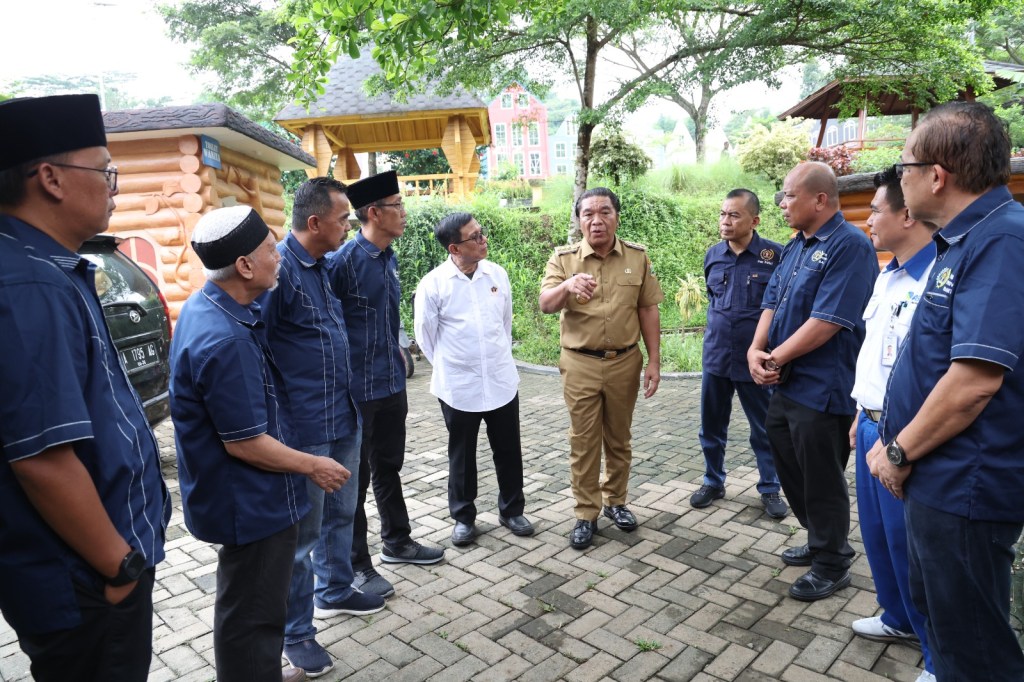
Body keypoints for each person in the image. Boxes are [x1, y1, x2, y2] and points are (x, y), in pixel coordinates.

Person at [0, 94, 171, 682]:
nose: (114, 186)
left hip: (88, 576)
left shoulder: (50, 266)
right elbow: (42, 455)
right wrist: (118, 567)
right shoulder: (28, 283)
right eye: (103, 171)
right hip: (86, 584)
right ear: (49, 178)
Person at [868, 101, 1024, 681]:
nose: (898, 176)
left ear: (936, 175)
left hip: (965, 487)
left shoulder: (1002, 241)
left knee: (975, 647)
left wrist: (900, 449)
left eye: (903, 164)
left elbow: (975, 382)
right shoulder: (965, 240)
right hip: (940, 483)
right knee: (943, 625)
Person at [171, 205, 350, 682]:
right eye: (272, 250)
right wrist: (314, 464)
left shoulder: (207, 306)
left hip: (249, 498)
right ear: (245, 266)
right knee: (252, 611)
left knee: (251, 605)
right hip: (248, 502)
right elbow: (246, 444)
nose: (280, 258)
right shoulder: (224, 338)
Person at [263, 178, 385, 678]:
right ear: (315, 223)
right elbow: (261, 349)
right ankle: (297, 632)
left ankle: (335, 590)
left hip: (343, 413)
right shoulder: (280, 272)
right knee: (302, 535)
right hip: (305, 427)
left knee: (341, 511)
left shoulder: (320, 267)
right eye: (343, 220)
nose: (349, 228)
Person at [748, 161, 877, 602]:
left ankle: (832, 561)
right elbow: (771, 302)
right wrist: (756, 349)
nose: (782, 203)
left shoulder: (850, 246)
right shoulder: (795, 246)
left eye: (789, 195)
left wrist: (775, 356)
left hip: (823, 385)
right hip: (786, 382)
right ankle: (821, 535)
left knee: (821, 476)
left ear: (819, 199)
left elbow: (829, 320)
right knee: (788, 460)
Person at [327, 171, 444, 599]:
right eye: (397, 205)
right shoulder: (342, 263)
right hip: (357, 391)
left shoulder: (388, 257)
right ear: (373, 213)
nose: (404, 212)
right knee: (354, 481)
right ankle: (357, 565)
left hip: (391, 383)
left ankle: (398, 541)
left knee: (389, 466)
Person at [539, 187, 664, 550]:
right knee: (583, 440)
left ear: (616, 216)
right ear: (579, 220)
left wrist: (654, 360)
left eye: (604, 212)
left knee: (619, 438)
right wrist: (567, 286)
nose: (597, 220)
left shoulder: (637, 258)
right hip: (580, 363)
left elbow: (648, 309)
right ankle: (585, 512)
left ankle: (617, 502)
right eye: (588, 214)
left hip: (625, 361)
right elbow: (546, 304)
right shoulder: (563, 259)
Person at [848, 167, 935, 682]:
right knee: (879, 538)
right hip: (869, 424)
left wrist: (897, 441)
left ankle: (938, 653)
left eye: (876, 210)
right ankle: (898, 618)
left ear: (907, 213)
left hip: (905, 435)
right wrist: (860, 416)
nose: (868, 221)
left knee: (914, 547)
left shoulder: (938, 276)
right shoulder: (889, 273)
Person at [414, 212, 534, 547]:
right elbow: (425, 337)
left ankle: (512, 510)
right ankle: (464, 517)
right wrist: (453, 366)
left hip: (500, 379)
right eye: (475, 237)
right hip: (458, 387)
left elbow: (505, 324)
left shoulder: (497, 275)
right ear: (454, 247)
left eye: (482, 233)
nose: (483, 240)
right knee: (461, 454)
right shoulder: (433, 284)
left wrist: (495, 359)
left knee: (509, 449)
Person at [691, 188, 787, 518]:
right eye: (722, 214)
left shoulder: (775, 256)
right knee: (711, 426)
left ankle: (770, 488)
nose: (725, 221)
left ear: (754, 220)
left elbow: (782, 308)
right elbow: (712, 298)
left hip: (755, 360)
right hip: (717, 355)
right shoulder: (713, 255)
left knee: (764, 428)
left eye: (734, 215)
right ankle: (713, 481)